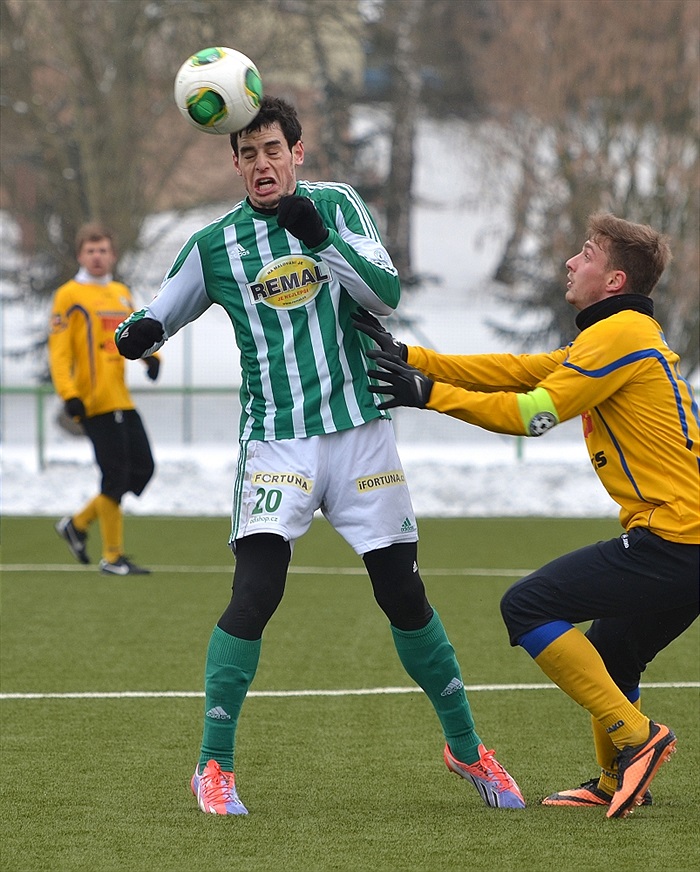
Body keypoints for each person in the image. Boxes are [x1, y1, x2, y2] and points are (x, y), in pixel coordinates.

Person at [115, 96, 525, 815]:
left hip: (361, 429)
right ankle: (214, 768)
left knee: (403, 595)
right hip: (277, 440)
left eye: (273, 149)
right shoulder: (217, 245)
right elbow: (159, 312)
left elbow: (386, 294)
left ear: (297, 153)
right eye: (247, 154)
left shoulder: (338, 204)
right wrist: (138, 332)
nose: (262, 164)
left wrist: (318, 237)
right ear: (236, 164)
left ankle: (466, 748)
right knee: (257, 592)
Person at [356, 212, 699, 819]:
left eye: (586, 253)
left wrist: (426, 394)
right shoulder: (619, 336)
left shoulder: (622, 336)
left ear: (615, 280)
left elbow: (530, 414)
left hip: (675, 540)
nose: (572, 262)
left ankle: (638, 737)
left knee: (527, 605)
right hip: (685, 543)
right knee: (615, 650)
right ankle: (614, 777)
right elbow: (520, 372)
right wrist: (415, 358)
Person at [49, 223, 159, 576]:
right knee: (114, 478)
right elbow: (59, 352)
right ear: (80, 255)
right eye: (90, 251)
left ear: (112, 255)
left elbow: (130, 334)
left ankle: (77, 523)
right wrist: (70, 395)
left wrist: (151, 357)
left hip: (122, 399)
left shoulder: (120, 293)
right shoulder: (68, 295)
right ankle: (112, 558)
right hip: (93, 402)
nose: (97, 256)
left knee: (144, 468)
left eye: (103, 250)